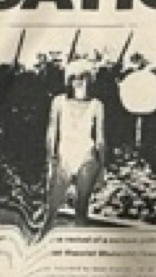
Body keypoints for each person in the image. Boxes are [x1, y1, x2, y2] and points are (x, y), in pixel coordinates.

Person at [34, 60, 106, 241]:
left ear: (90, 80)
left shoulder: (97, 105)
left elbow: (100, 139)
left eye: (83, 77)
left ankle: (79, 249)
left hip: (87, 157)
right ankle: (37, 245)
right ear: (69, 81)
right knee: (51, 209)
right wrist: (51, 160)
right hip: (64, 156)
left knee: (82, 210)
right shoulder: (59, 101)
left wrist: (102, 167)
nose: (78, 81)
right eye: (74, 78)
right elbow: (51, 132)